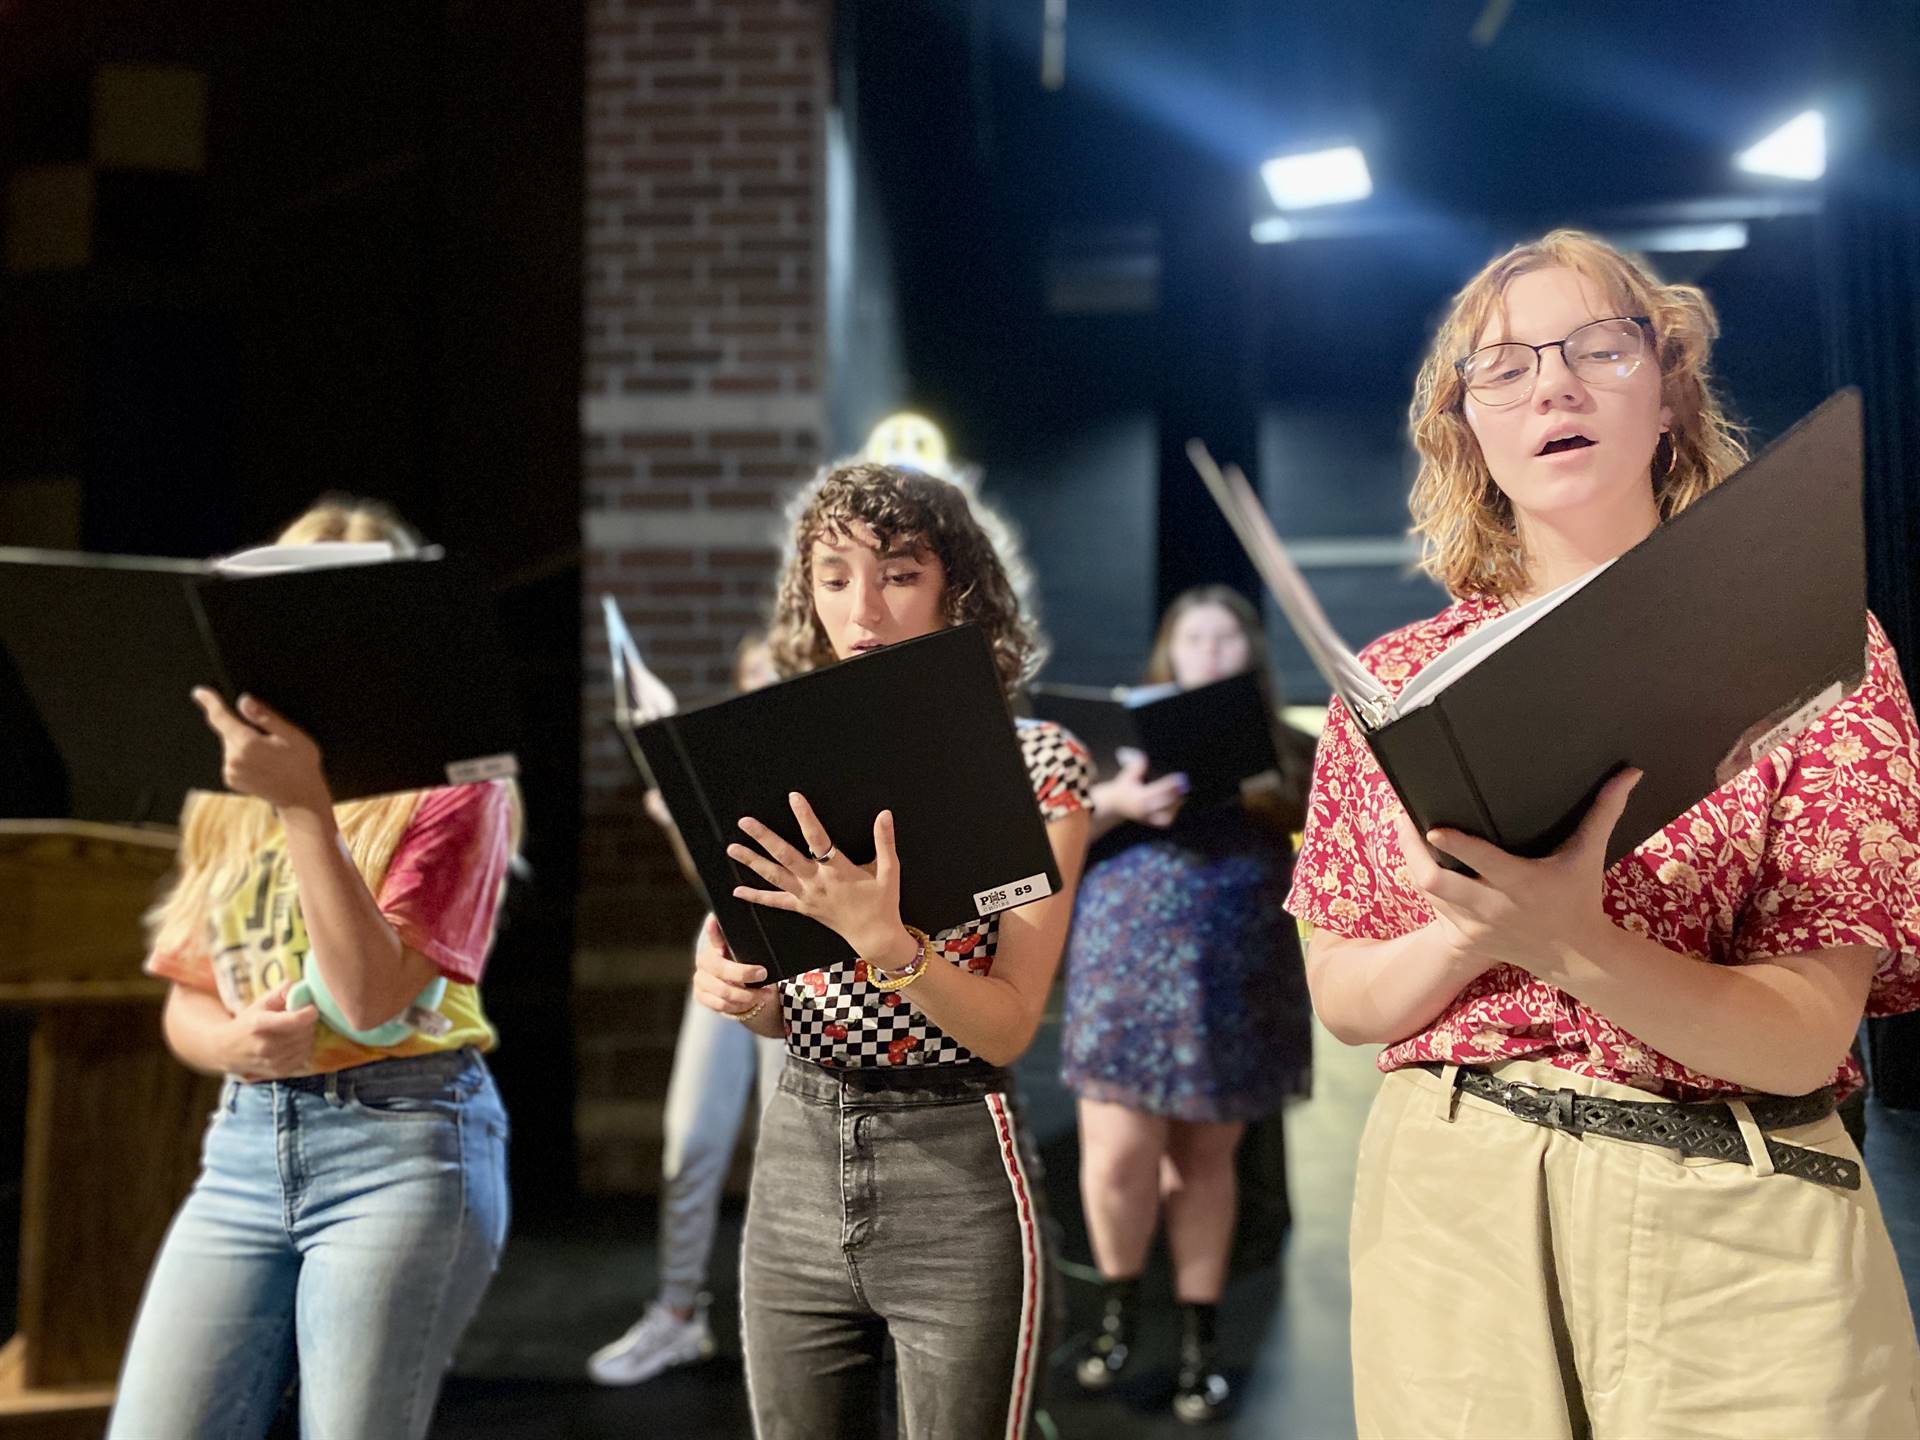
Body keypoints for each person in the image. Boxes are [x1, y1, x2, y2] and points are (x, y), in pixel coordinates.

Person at [1289, 229, 1920, 1438]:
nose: (1555, 387)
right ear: (1467, 430)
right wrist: (1479, 930)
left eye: (1598, 348)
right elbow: (1349, 996)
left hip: (1736, 1220)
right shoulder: (1395, 685)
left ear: (1672, 392)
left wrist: (1571, 939)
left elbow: (1799, 1040)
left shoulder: (1809, 651)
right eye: (1507, 368)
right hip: (1452, 1217)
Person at [690, 462, 1092, 1440]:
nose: (863, 606)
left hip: (953, 1162)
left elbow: (1002, 1024)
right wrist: (741, 992)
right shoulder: (784, 757)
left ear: (958, 588)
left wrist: (887, 941)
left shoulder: (1036, 762)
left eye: (898, 573)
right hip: (796, 1150)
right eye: (835, 576)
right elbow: (790, 998)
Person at [107, 498, 521, 1440]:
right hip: (245, 1148)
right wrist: (239, 1044)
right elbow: (186, 999)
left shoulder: (456, 788)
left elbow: (372, 998)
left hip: (404, 1139)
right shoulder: (228, 793)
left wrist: (305, 810)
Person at [1058, 585, 1313, 1424]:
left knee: (1205, 1159)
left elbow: (1321, 823)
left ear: (1251, 653)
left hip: (1230, 965)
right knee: (1119, 1153)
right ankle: (1120, 1315)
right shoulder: (1120, 743)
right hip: (1126, 961)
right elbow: (1050, 838)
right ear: (1169, 651)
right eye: (1193, 637)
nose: (1209, 652)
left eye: (1225, 638)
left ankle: (1202, 1338)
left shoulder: (1281, 744)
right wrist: (1123, 802)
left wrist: (1253, 787)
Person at [588, 634, 786, 1386]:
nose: (761, 687)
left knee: (783, 1150)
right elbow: (711, 888)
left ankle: (784, 1325)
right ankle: (675, 1315)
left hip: (804, 973)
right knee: (690, 1141)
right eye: (750, 678)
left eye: (776, 675)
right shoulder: (717, 763)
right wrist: (678, 820)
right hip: (725, 958)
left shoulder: (816, 761)